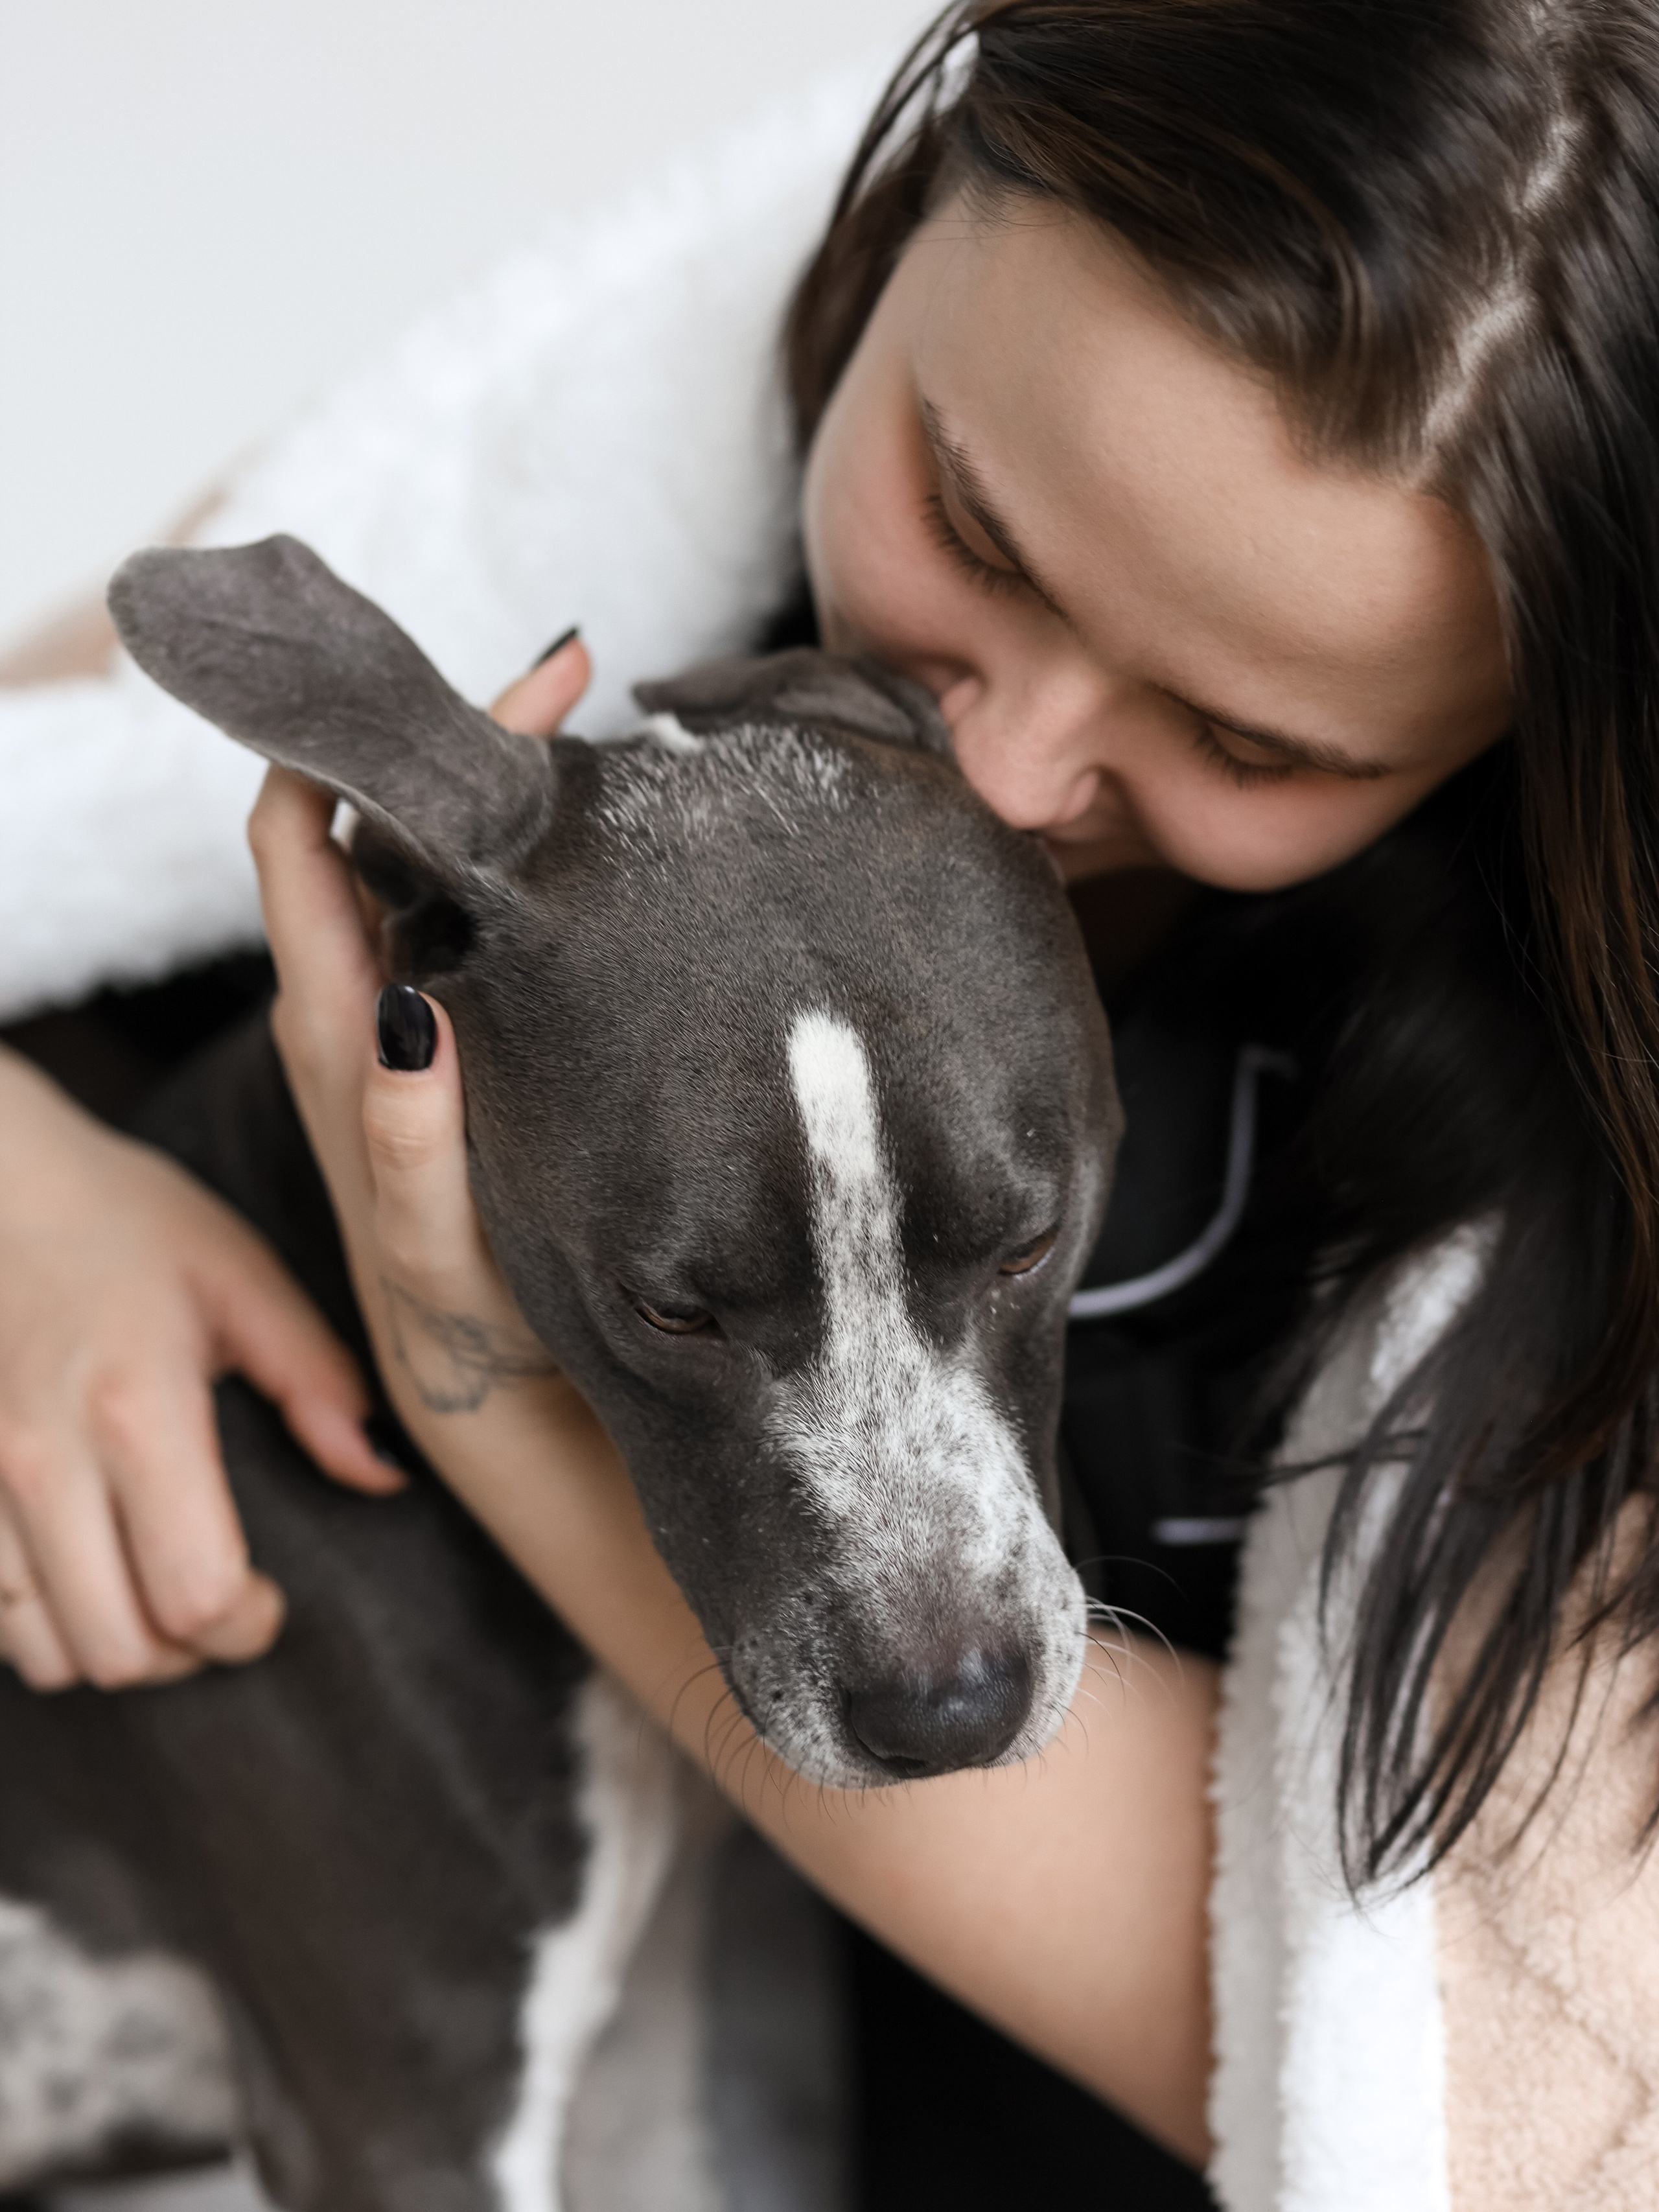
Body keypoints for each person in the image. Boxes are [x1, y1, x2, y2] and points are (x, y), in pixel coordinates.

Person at [3, 0, 1658, 2195]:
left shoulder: (1570, 1131)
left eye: (1254, 743)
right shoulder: (493, 572)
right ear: (886, 234)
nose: (1007, 770)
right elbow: (58, 818)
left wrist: (483, 1375)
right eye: (974, 531)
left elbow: (1468, 2094)